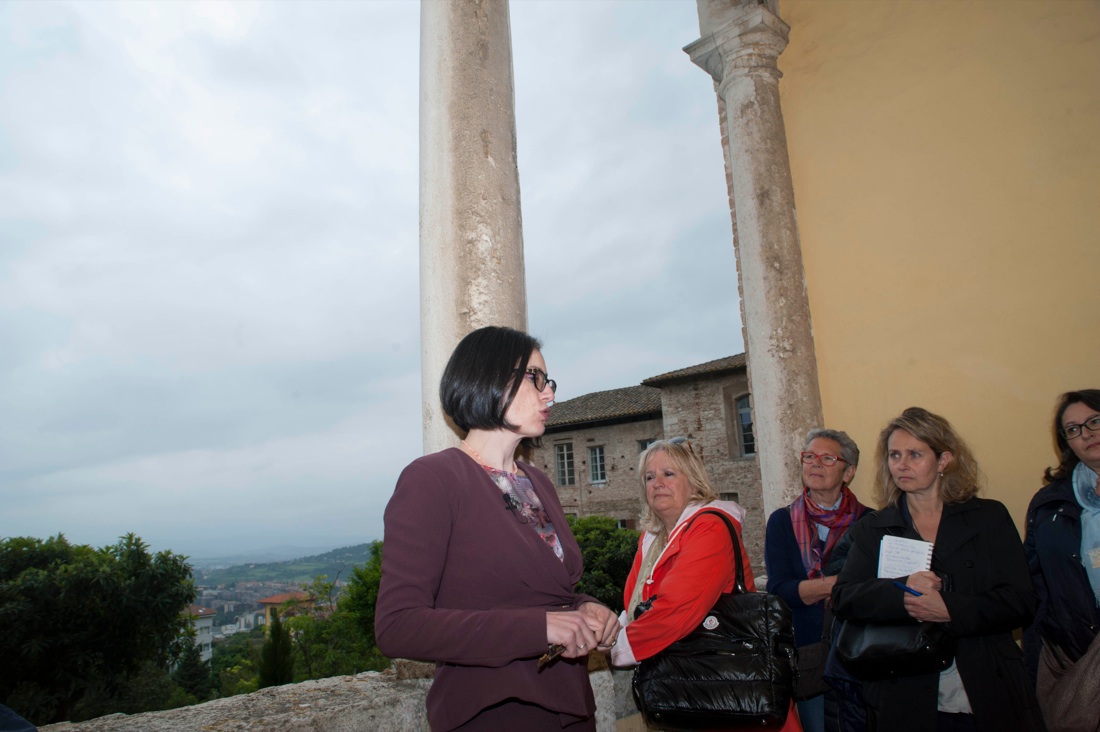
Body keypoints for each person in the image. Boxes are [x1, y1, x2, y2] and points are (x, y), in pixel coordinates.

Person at [374, 326, 619, 731]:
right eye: (536, 378)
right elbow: (398, 626)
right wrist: (540, 628)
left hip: (571, 709)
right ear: (488, 377)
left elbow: (543, 593)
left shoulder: (537, 482)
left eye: (550, 382)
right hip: (495, 712)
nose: (549, 395)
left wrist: (583, 607)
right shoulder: (433, 479)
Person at [832, 407, 1044, 732]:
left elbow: (1021, 601)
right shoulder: (874, 528)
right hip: (904, 690)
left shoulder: (988, 518)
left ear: (944, 460)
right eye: (894, 455)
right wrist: (901, 594)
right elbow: (845, 597)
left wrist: (950, 609)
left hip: (985, 681)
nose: (901, 464)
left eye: (914, 454)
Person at [611, 438, 802, 732]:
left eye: (668, 474)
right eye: (649, 477)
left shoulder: (710, 527)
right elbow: (634, 606)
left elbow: (677, 610)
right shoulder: (652, 540)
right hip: (687, 689)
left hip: (733, 691)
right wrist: (610, 630)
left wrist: (617, 648)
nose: (657, 483)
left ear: (694, 482)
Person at [765, 429, 869, 732]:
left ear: (848, 472)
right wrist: (837, 585)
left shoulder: (871, 522)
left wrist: (812, 590)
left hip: (860, 650)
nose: (815, 464)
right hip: (809, 655)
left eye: (827, 458)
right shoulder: (782, 521)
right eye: (809, 456)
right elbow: (778, 590)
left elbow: (874, 589)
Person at [1024, 389, 1100, 729]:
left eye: (1095, 421)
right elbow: (1033, 583)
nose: (1086, 434)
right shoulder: (1049, 502)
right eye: (1073, 429)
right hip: (1067, 651)